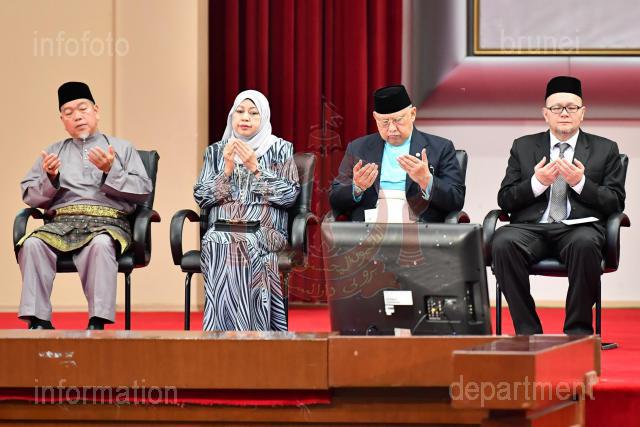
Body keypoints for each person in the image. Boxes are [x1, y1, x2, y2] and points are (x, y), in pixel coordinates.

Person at [492, 76, 626, 335]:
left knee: (585, 243)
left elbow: (615, 202)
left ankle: (577, 332)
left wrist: (580, 183)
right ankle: (528, 332)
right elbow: (505, 199)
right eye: (556, 108)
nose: (564, 113)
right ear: (545, 114)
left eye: (571, 107)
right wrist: (537, 183)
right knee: (502, 241)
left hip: (579, 229)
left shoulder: (605, 149)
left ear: (582, 113)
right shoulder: (523, 146)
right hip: (532, 229)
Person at [18, 82, 153, 330]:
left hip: (108, 223)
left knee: (100, 244)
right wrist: (50, 178)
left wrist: (111, 170)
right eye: (68, 113)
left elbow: (143, 189)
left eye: (83, 109)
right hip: (62, 224)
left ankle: (97, 322)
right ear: (62, 120)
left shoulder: (121, 148)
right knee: (32, 244)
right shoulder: (53, 152)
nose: (77, 117)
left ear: (96, 111)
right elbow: (29, 195)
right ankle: (38, 321)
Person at [194, 90, 300, 331]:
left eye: (253, 113)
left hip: (266, 229)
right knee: (215, 239)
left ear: (264, 118)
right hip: (221, 228)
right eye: (239, 112)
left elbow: (289, 195)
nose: (245, 117)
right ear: (231, 116)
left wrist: (256, 168)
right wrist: (227, 170)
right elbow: (201, 197)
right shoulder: (215, 152)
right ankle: (225, 332)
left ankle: (242, 331)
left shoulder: (280, 149)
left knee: (241, 242)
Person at [329, 84, 465, 223]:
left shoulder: (441, 148)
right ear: (375, 118)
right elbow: (334, 198)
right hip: (369, 230)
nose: (392, 128)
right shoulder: (358, 148)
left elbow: (456, 200)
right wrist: (356, 188)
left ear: (412, 114)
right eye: (385, 122)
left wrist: (427, 180)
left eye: (398, 120)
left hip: (418, 229)